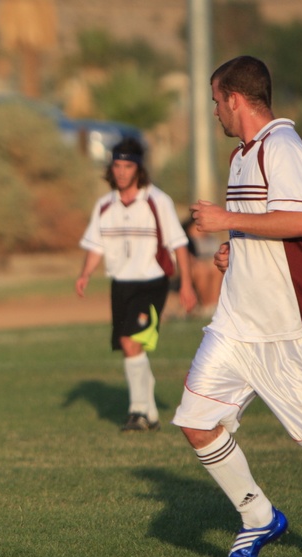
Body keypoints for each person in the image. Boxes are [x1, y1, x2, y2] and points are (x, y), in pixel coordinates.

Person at [178, 55, 302, 557]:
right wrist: (235, 250)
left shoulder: (283, 146)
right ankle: (257, 515)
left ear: (235, 98)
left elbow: (301, 221)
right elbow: (263, 224)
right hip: (237, 323)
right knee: (195, 420)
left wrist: (227, 219)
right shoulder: (240, 156)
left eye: (215, 102)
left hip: (292, 326)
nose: (214, 113)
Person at [76, 137, 197, 432]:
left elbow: (179, 245)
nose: (120, 171)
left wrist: (186, 286)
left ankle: (139, 411)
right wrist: (85, 274)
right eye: (116, 165)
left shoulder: (158, 201)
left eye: (127, 165)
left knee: (132, 342)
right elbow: (95, 245)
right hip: (121, 285)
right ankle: (149, 414)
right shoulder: (105, 205)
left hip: (151, 283)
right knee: (129, 346)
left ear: (139, 169)